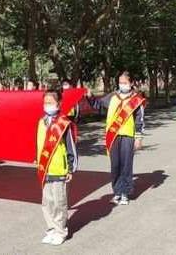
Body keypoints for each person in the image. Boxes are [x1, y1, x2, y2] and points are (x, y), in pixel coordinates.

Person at [87, 71, 145, 205]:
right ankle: (117, 192)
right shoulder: (113, 96)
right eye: (120, 82)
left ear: (131, 83)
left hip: (128, 135)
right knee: (115, 164)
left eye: (125, 82)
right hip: (113, 135)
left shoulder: (136, 100)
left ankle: (125, 192)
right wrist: (90, 97)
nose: (122, 85)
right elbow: (99, 105)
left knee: (126, 164)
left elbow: (139, 120)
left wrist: (139, 138)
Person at [36, 89, 78, 246]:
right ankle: (51, 229)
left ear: (59, 104)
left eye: (50, 102)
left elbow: (70, 147)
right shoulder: (41, 122)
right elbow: (39, 144)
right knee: (47, 201)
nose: (47, 105)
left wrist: (71, 168)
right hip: (45, 168)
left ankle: (61, 230)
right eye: (45, 102)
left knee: (59, 201)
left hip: (60, 169)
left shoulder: (64, 123)